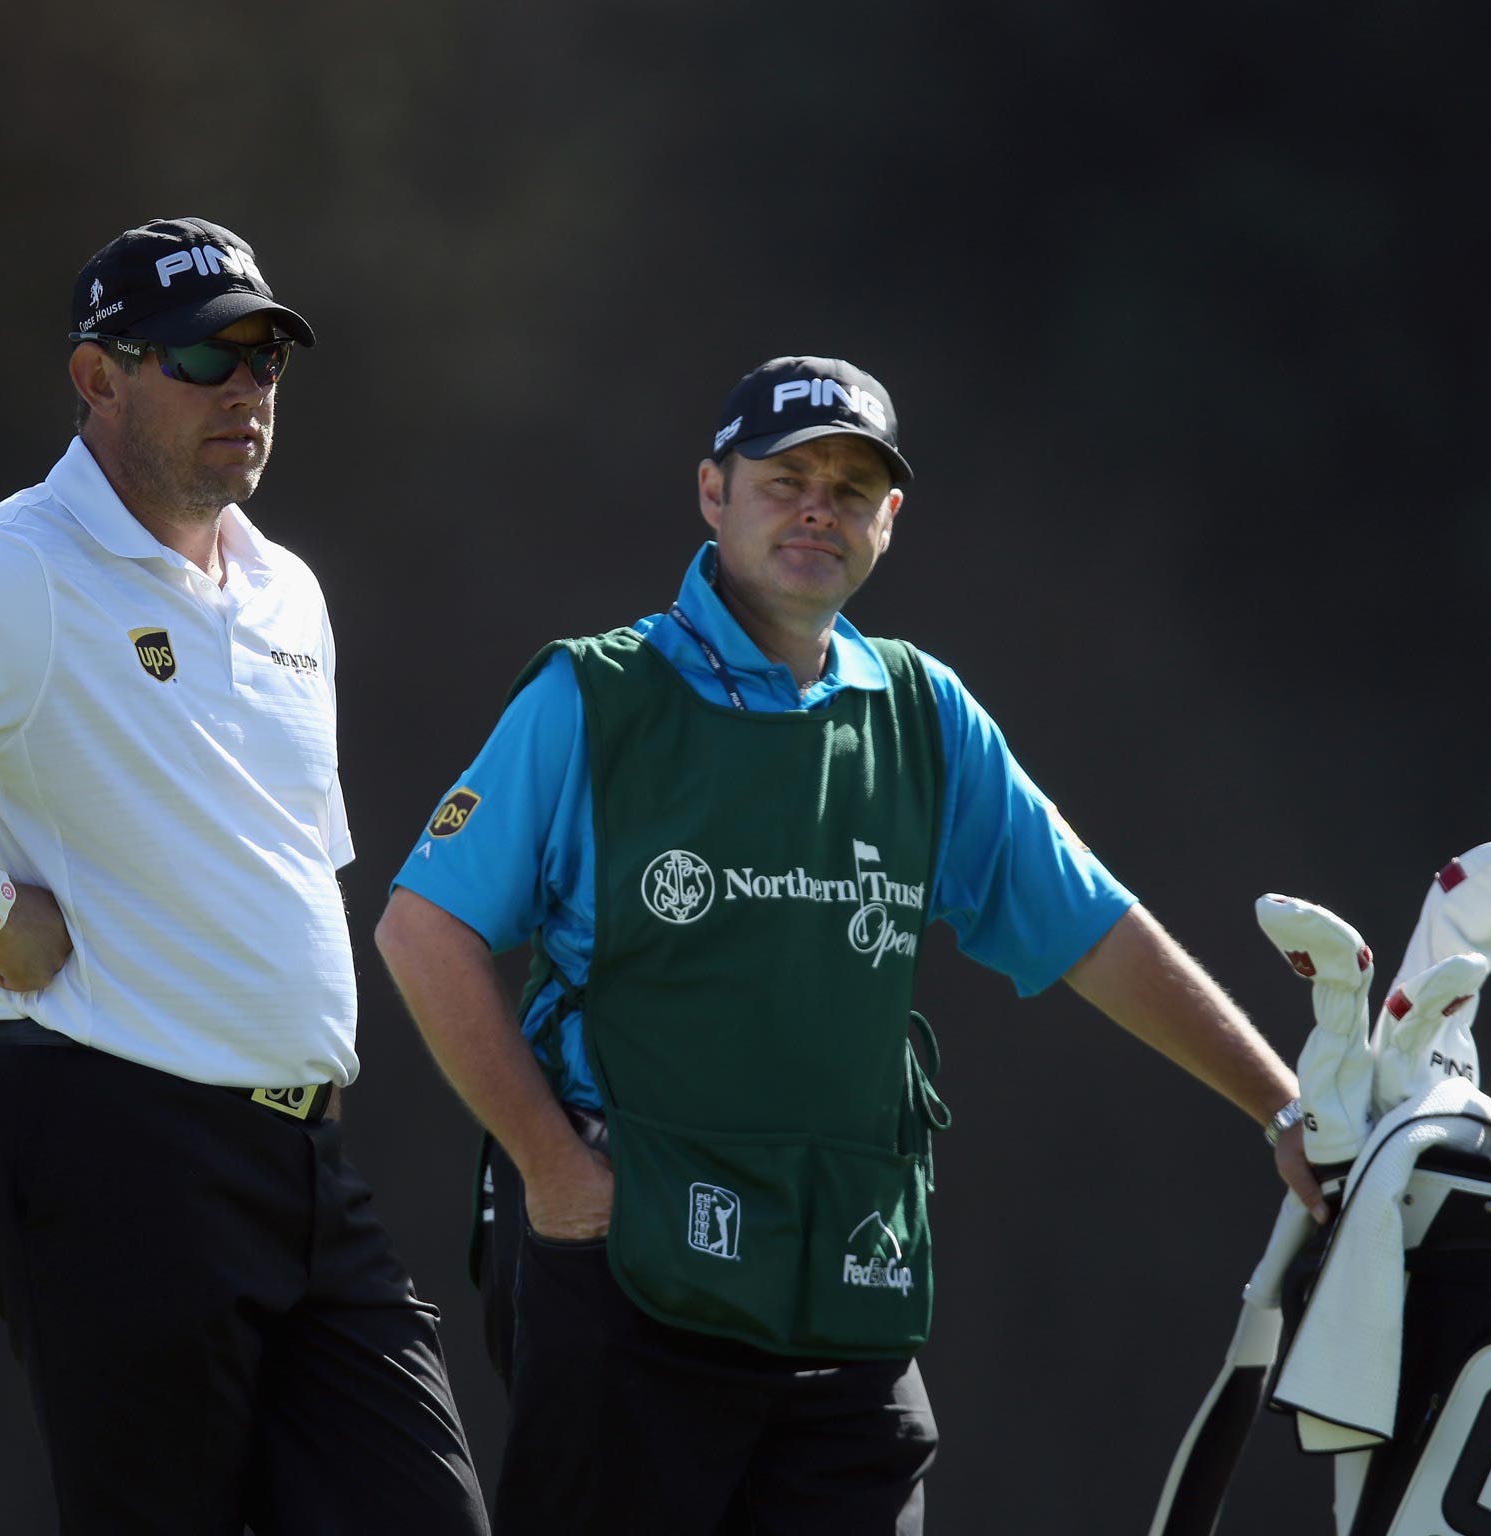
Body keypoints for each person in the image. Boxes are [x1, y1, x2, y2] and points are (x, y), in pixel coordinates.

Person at [372, 354, 1326, 1533]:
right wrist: (555, 1176)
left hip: (847, 1291)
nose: (817, 506)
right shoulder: (594, 696)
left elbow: (1091, 931)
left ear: (889, 522)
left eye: (850, 484)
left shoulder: (922, 713)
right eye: (784, 479)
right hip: (634, 1275)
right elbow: (422, 930)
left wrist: (1283, 1108)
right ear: (713, 495)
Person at [0, 216, 489, 1536]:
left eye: (266, 357)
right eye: (205, 357)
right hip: (115, 1141)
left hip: (301, 1161)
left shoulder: (288, 589)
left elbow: (285, 868)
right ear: (99, 376)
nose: (246, 387)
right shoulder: (14, 565)